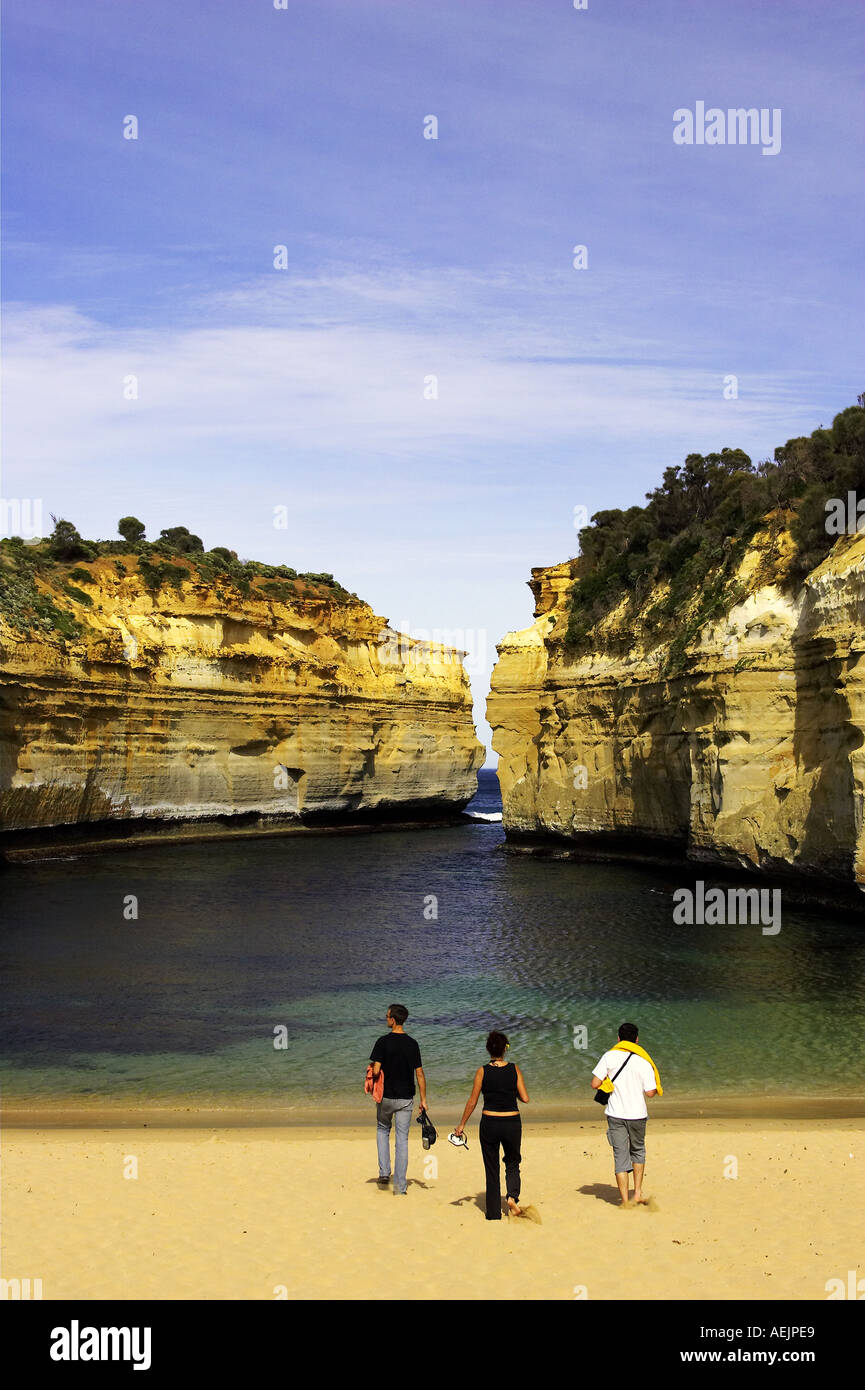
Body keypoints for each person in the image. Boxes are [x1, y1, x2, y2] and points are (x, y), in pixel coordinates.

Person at [454, 1030, 529, 1220]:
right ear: (505, 1049)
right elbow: (525, 1098)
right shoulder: (514, 1069)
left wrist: (461, 1124)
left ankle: (494, 1214)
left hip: (490, 1122)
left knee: (492, 1167)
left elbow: (472, 1101)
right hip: (512, 1122)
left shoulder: (482, 1071)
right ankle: (512, 1197)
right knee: (512, 1162)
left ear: (488, 1050)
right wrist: (512, 1091)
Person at [591, 1022, 661, 1207]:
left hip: (615, 1114)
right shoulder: (644, 1061)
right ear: (637, 1039)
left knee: (620, 1155)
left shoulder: (609, 1056)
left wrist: (608, 1081)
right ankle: (637, 1193)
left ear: (618, 1038)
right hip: (638, 1114)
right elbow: (650, 1092)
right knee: (638, 1151)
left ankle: (624, 1200)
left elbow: (594, 1084)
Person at [368, 1004, 428, 1196]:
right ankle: (400, 1188)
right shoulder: (412, 1044)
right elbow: (419, 1074)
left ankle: (384, 1173)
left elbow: (376, 1070)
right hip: (405, 1099)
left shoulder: (382, 1042)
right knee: (402, 1140)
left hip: (386, 1097)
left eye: (387, 1017)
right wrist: (424, 1099)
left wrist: (373, 1072)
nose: (386, 1019)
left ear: (393, 1019)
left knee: (382, 1129)